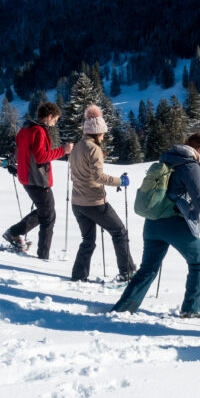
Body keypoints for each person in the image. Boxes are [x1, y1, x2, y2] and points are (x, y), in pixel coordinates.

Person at [111, 133, 200, 317]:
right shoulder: (191, 166)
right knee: (198, 262)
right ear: (196, 150)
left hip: (153, 222)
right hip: (174, 222)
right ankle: (191, 309)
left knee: (148, 268)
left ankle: (123, 308)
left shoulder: (167, 159)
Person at [68, 105, 136, 283]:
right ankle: (127, 272)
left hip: (77, 202)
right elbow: (97, 176)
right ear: (97, 132)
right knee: (119, 232)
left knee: (88, 240)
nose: (104, 136)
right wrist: (119, 182)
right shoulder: (94, 149)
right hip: (94, 202)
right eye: (103, 133)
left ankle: (78, 275)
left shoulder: (76, 148)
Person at [2, 102, 73, 259]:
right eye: (55, 120)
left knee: (46, 211)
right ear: (49, 117)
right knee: (49, 216)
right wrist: (64, 150)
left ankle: (14, 233)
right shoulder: (39, 131)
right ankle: (42, 256)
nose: (55, 123)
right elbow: (41, 157)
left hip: (25, 177)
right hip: (38, 179)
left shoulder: (25, 129)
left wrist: (16, 165)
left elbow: (17, 152)